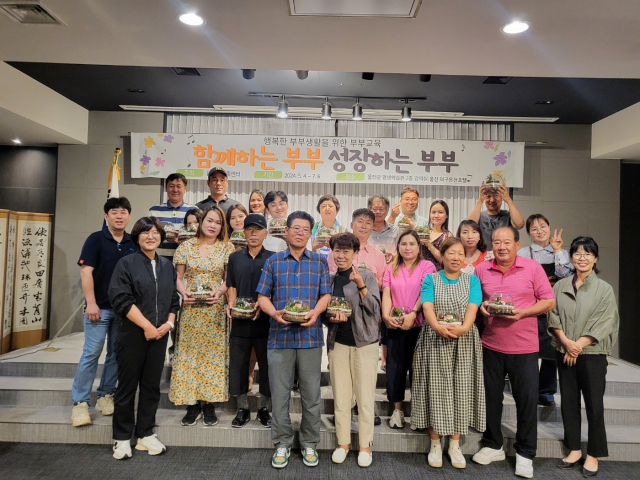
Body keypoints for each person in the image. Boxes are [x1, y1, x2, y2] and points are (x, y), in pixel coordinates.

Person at [472, 226, 555, 479]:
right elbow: (474, 300)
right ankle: (493, 444)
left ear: (517, 244)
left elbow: (549, 300)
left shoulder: (532, 268)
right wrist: (482, 306)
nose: (502, 246)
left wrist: (524, 312)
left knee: (526, 400)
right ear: (491, 245)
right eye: (497, 242)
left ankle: (526, 452)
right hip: (491, 344)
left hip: (524, 346)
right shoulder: (481, 269)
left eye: (507, 242)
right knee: (490, 398)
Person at [257, 211, 331, 469]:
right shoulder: (274, 262)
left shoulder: (320, 262)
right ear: (286, 231)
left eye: (305, 229)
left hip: (310, 338)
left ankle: (310, 443)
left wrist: (316, 312)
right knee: (280, 396)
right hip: (279, 338)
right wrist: (273, 313)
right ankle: (282, 442)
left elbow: (326, 295)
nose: (300, 233)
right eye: (295, 228)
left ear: (310, 233)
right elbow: (262, 297)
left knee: (312, 396)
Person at [108, 217, 180, 460]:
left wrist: (168, 324)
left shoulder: (166, 265)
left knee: (151, 387)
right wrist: (148, 326)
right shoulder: (126, 263)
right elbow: (121, 299)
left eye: (155, 232)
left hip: (160, 335)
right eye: (145, 232)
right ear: (137, 237)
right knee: (127, 387)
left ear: (161, 236)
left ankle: (145, 434)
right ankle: (121, 438)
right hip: (132, 334)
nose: (151, 237)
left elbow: (173, 300)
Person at [548, 237, 619, 478]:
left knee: (594, 404)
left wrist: (577, 345)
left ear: (595, 258)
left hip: (592, 354)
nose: (582, 258)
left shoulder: (604, 289)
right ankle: (575, 449)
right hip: (564, 351)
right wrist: (566, 343)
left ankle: (594, 454)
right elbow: (553, 316)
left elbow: (605, 321)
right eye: (577, 253)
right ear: (571, 258)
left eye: (588, 254)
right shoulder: (560, 286)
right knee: (568, 402)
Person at [412, 237, 485, 470]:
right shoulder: (431, 279)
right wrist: (437, 327)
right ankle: (435, 443)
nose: (456, 257)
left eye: (460, 253)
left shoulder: (472, 280)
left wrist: (464, 328)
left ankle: (454, 445)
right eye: (451, 253)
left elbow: (473, 307)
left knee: (461, 390)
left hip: (464, 342)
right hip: (434, 339)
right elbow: (427, 306)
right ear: (441, 256)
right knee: (434, 389)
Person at [71, 197, 136, 427]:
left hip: (124, 311)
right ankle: (80, 403)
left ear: (129, 216)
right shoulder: (95, 239)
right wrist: (91, 303)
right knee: (92, 353)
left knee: (116, 354)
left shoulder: (133, 241)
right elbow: (86, 272)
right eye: (114, 212)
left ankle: (105, 395)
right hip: (98, 308)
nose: (119, 216)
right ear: (106, 216)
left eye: (123, 212)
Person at [169, 206, 235, 426]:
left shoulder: (227, 248)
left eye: (218, 222)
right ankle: (192, 404)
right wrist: (183, 293)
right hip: (191, 309)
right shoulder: (185, 246)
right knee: (190, 356)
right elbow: (178, 278)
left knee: (212, 358)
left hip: (214, 309)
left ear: (222, 226)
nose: (213, 225)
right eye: (209, 220)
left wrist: (220, 292)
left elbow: (228, 279)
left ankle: (208, 404)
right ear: (201, 222)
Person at [324, 233, 381, 468]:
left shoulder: (366, 276)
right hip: (338, 344)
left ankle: (365, 445)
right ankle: (343, 443)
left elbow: (375, 310)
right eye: (337, 250)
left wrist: (360, 285)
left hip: (365, 344)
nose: (341, 255)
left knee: (365, 397)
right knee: (341, 397)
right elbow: (325, 313)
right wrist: (330, 318)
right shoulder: (329, 279)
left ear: (355, 253)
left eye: (346, 251)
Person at [381, 230, 436, 429]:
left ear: (419, 246)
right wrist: (386, 316)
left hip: (418, 325)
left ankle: (418, 413)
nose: (407, 248)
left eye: (412, 244)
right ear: (398, 246)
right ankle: (397, 410)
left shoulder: (427, 266)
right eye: (403, 244)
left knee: (418, 370)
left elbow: (426, 292)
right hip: (395, 325)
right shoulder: (391, 268)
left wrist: (413, 313)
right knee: (394, 369)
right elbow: (387, 294)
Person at [518, 214, 573, 407]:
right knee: (530, 351)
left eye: (543, 227)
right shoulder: (523, 253)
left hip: (554, 307)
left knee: (552, 350)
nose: (539, 231)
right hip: (531, 306)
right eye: (534, 229)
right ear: (529, 233)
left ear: (549, 228)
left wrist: (557, 250)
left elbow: (565, 276)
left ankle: (547, 391)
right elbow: (520, 279)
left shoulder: (562, 252)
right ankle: (529, 389)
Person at [226, 214, 274, 428]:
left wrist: (264, 304)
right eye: (249, 229)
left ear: (265, 233)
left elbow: (276, 288)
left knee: (267, 366)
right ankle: (242, 408)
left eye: (258, 229)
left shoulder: (273, 258)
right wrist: (231, 302)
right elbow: (231, 285)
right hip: (240, 320)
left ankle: (264, 408)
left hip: (266, 322)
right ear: (243, 233)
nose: (253, 233)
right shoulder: (235, 258)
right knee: (239, 365)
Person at [327, 208, 386, 290]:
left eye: (368, 223)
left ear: (372, 228)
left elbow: (382, 286)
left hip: (368, 297)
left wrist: (370, 277)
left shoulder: (378, 255)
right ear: (351, 225)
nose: (364, 226)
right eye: (360, 221)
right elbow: (330, 279)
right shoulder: (336, 252)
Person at [467, 181, 524, 251]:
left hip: (504, 253)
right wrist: (480, 201)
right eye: (488, 196)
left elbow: (519, 224)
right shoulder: (480, 216)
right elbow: (469, 226)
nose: (492, 200)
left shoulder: (508, 216)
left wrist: (509, 200)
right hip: (483, 254)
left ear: (502, 198)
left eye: (496, 195)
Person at [149, 173, 195, 259]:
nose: (175, 190)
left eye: (179, 186)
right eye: (171, 186)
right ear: (166, 188)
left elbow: (199, 236)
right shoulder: (154, 211)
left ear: (185, 189)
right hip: (160, 259)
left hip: (186, 259)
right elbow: (149, 235)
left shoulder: (193, 210)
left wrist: (182, 236)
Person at [419, 200, 453, 271]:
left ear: (446, 215)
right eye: (433, 212)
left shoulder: (448, 236)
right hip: (421, 272)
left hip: (438, 273)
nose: (436, 215)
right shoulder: (425, 232)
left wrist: (428, 243)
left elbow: (444, 260)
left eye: (440, 212)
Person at [368, 194, 399, 263]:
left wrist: (393, 256)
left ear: (387, 211)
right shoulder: (363, 230)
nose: (378, 212)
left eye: (381, 209)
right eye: (375, 209)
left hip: (390, 266)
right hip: (368, 267)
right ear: (369, 210)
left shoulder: (396, 230)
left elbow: (402, 251)